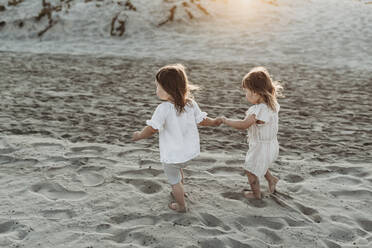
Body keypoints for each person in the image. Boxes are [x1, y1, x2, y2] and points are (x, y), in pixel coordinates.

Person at [132, 64, 222, 212]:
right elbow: (202, 121)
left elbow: (152, 128)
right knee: (178, 171)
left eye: (158, 86)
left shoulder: (163, 109)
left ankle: (181, 205)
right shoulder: (190, 104)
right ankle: (181, 190)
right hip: (188, 153)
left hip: (173, 154)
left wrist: (139, 135)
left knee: (174, 180)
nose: (156, 90)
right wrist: (214, 122)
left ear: (168, 88)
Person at [221, 66, 283, 199]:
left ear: (255, 92)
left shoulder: (258, 110)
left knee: (250, 170)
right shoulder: (272, 105)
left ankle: (256, 194)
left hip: (260, 146)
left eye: (246, 91)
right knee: (261, 163)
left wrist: (225, 121)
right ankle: (271, 180)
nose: (245, 95)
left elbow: (244, 125)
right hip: (271, 145)